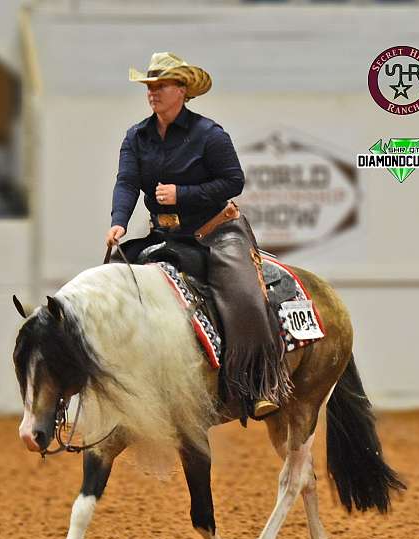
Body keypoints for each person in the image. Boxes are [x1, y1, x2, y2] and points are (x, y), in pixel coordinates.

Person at [106, 52, 291, 420]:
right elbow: (126, 182)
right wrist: (119, 221)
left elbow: (233, 181)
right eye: (149, 86)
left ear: (182, 91)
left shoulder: (209, 135)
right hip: (165, 234)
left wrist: (182, 195)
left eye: (161, 86)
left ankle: (259, 385)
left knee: (244, 296)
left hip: (217, 231)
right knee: (112, 277)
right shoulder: (137, 137)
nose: (152, 92)